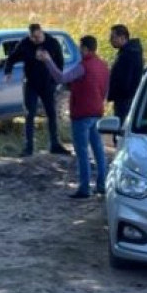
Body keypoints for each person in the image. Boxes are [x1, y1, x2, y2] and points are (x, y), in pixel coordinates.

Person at [37, 34, 110, 198]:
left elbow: (61, 77)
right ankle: (101, 184)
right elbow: (105, 89)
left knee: (82, 151)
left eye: (80, 47)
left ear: (84, 48)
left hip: (82, 113)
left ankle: (85, 187)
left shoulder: (83, 66)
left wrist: (48, 60)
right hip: (97, 111)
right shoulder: (103, 65)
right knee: (98, 149)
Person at [3, 23, 68, 156]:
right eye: (33, 38)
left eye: (37, 37)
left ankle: (55, 144)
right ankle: (29, 147)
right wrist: (8, 71)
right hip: (31, 84)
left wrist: (55, 81)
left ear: (41, 32)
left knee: (51, 113)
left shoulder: (52, 43)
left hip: (47, 83)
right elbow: (12, 58)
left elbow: (60, 63)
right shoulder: (25, 43)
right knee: (29, 114)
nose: (35, 40)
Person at [106, 24, 144, 131]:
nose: (111, 40)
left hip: (124, 100)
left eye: (113, 37)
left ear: (123, 37)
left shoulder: (128, 55)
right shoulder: (129, 52)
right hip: (126, 98)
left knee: (121, 129)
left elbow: (125, 80)